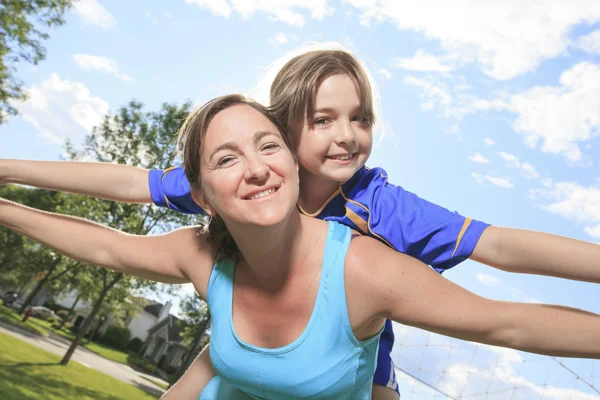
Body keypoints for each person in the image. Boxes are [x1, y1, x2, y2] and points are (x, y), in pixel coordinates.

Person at [2, 46, 600, 399]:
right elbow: (127, 193)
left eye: (360, 118)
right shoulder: (236, 186)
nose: (346, 136)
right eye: (323, 119)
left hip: (355, 371)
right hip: (253, 352)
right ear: (284, 129)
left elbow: (498, 251)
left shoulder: (378, 211)